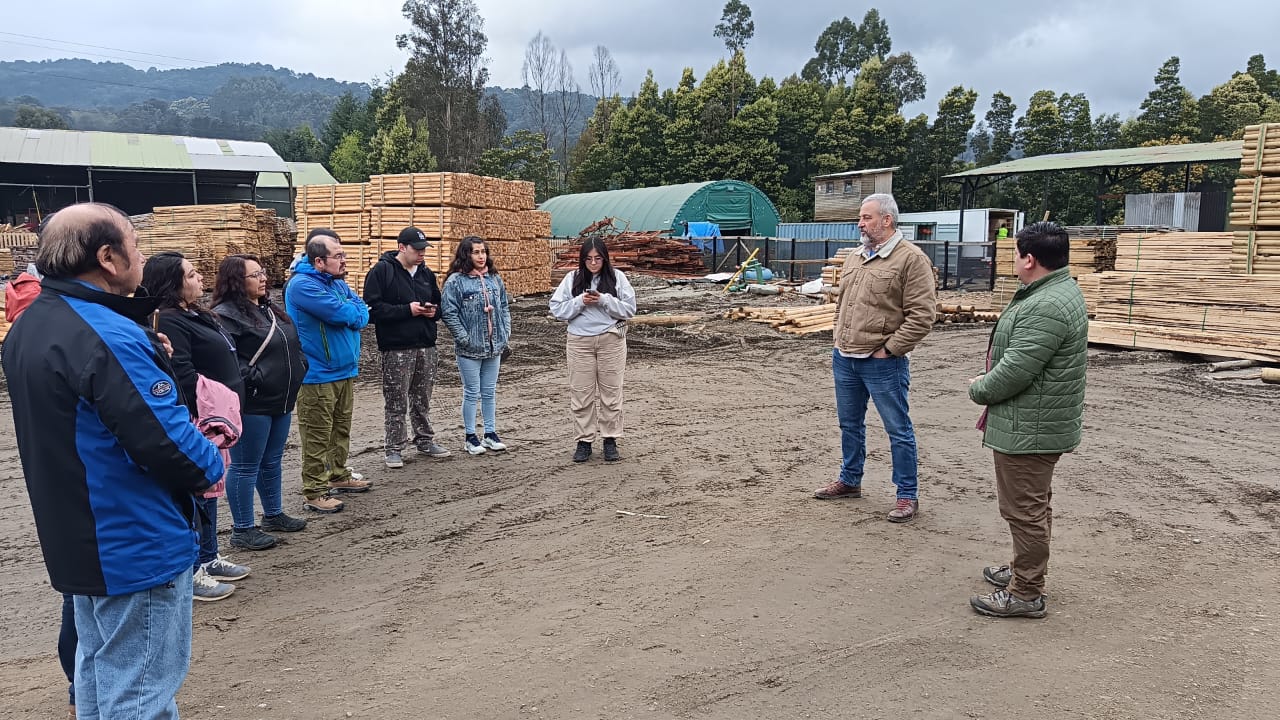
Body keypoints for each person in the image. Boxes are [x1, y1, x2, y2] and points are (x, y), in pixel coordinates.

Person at [3, 203, 224, 718]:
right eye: (135, 244)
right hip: (133, 541)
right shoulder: (108, 337)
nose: (143, 255)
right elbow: (169, 444)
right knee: (141, 692)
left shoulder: (33, 326)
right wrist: (212, 461)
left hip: (78, 536)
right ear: (108, 257)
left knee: (99, 674)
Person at [967, 221, 1088, 619]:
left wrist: (980, 388)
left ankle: (1026, 593)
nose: (1014, 262)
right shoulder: (1052, 291)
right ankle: (1025, 572)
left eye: (1017, 254)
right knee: (1034, 507)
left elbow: (1017, 369)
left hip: (1030, 429)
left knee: (1025, 511)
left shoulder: (1045, 305)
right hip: (1036, 422)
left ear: (1030, 259)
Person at [813, 193, 937, 523]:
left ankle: (906, 495)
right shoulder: (855, 257)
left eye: (866, 217)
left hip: (882, 362)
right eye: (861, 217)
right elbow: (843, 305)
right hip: (845, 357)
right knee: (849, 424)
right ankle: (850, 480)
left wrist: (890, 350)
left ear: (887, 220)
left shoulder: (911, 260)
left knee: (897, 429)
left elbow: (922, 316)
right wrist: (838, 339)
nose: (860, 223)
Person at [143, 251, 250, 602]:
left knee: (211, 491)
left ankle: (209, 555)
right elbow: (182, 375)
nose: (200, 278)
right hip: (199, 419)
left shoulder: (194, 314)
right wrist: (219, 403)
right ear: (172, 284)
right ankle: (194, 570)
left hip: (217, 419)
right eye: (190, 275)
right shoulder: (168, 320)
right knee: (198, 494)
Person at [213, 254, 310, 549]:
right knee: (245, 465)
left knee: (271, 461)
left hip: (280, 399)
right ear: (236, 282)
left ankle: (273, 514)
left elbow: (291, 344)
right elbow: (226, 359)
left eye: (263, 272)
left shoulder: (269, 309)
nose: (264, 278)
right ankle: (242, 529)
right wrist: (255, 379)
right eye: (255, 275)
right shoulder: (225, 315)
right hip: (254, 403)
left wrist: (300, 365)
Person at [285, 228, 371, 512]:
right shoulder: (302, 286)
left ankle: (338, 474)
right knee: (317, 433)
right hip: (317, 374)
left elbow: (360, 310)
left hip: (344, 370)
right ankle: (315, 489)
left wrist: (355, 312)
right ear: (319, 261)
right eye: (338, 256)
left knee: (340, 429)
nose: (344, 261)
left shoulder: (335, 282)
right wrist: (354, 312)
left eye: (343, 254)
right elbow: (343, 313)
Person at [363, 226, 451, 468]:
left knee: (422, 397)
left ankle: (424, 440)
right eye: (417, 249)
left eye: (424, 249)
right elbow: (371, 310)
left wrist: (433, 312)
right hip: (396, 348)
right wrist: (407, 310)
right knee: (396, 399)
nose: (422, 254)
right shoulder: (382, 272)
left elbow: (439, 304)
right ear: (402, 247)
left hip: (426, 344)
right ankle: (394, 447)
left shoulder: (426, 274)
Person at [548, 238, 637, 462]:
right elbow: (557, 309)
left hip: (611, 339)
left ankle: (610, 439)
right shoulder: (572, 279)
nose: (593, 263)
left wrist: (604, 300)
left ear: (605, 259)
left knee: (611, 392)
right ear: (583, 259)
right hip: (579, 341)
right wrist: (580, 302)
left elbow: (629, 309)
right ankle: (584, 440)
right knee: (581, 393)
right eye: (589, 259)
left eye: (598, 259)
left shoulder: (617, 278)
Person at [440, 235, 511, 456]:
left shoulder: (494, 279)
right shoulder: (455, 281)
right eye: (476, 252)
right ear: (466, 255)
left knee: (489, 392)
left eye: (483, 252)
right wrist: (464, 338)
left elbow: (504, 306)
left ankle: (490, 433)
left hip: (494, 346)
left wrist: (505, 331)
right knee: (472, 392)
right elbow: (449, 313)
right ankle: (470, 436)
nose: (481, 256)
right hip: (470, 348)